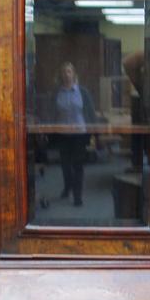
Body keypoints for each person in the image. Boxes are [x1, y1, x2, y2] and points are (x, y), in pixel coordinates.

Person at [54, 61, 95, 206]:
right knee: (65, 165)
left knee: (78, 165)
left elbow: (90, 113)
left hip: (79, 134)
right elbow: (52, 112)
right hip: (62, 134)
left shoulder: (82, 92)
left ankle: (77, 196)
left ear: (74, 74)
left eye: (69, 71)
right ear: (61, 75)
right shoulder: (57, 92)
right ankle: (67, 187)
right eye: (64, 72)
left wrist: (94, 133)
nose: (66, 74)